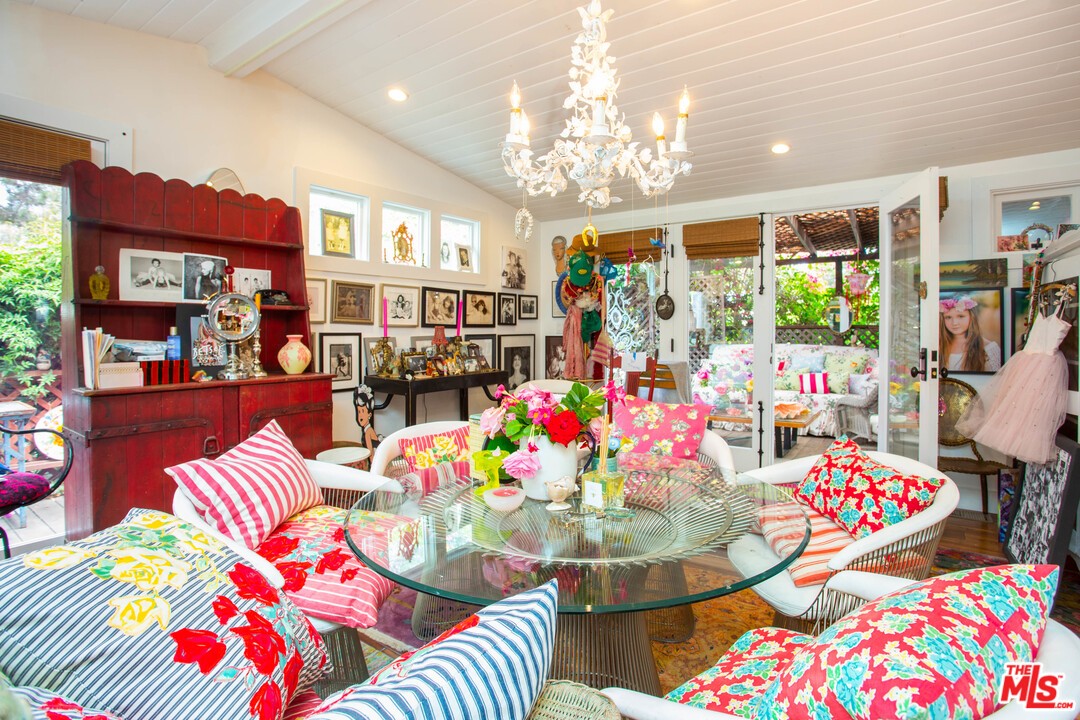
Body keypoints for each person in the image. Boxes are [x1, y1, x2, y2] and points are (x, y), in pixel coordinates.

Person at [939, 296, 1001, 371]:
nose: (954, 323)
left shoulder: (988, 348)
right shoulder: (939, 345)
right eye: (948, 317)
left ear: (971, 317)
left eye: (961, 316)